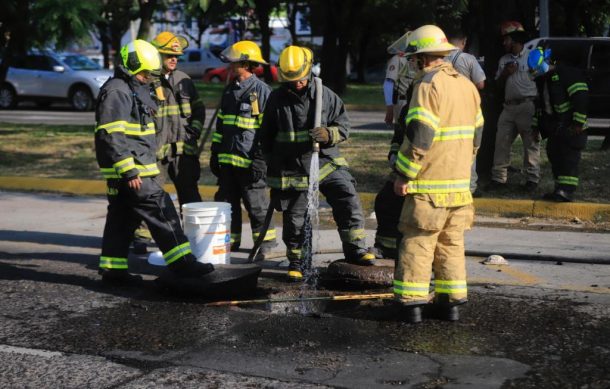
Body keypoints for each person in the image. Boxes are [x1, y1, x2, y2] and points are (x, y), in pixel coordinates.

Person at [94, 39, 214, 284]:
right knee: (163, 211)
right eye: (144, 73)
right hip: (133, 171)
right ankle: (183, 264)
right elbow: (111, 134)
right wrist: (129, 171)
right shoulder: (117, 91)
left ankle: (113, 270)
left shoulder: (128, 87)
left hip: (130, 170)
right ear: (131, 67)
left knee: (122, 219)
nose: (147, 77)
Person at [255, 45, 375, 282]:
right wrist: (272, 170)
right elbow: (265, 138)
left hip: (324, 161)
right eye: (291, 80)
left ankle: (356, 250)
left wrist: (329, 134)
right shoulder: (276, 100)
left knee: (346, 195)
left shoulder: (325, 95)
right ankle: (298, 262)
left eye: (300, 79)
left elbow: (344, 127)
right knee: (295, 217)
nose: (296, 83)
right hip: (292, 167)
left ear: (308, 71)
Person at [392, 25, 483, 323]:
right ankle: (451, 305)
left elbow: (420, 136)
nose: (410, 64)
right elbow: (477, 135)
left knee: (418, 242)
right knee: (451, 244)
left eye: (412, 58)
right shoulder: (467, 85)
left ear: (422, 58)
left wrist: (404, 175)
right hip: (459, 186)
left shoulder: (428, 86)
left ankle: (412, 306)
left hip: (429, 185)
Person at [209, 40, 277, 257]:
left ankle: (264, 246)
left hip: (250, 163)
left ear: (246, 65)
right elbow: (221, 125)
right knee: (227, 204)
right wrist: (215, 152)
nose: (229, 66)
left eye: (233, 63)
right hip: (228, 162)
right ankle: (233, 242)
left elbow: (268, 131)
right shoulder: (230, 91)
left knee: (256, 206)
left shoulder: (262, 92)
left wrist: (260, 159)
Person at [373, 34, 417, 260]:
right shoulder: (414, 96)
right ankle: (388, 246)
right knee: (385, 201)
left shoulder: (430, 90)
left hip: (426, 169)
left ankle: (406, 251)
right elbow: (402, 131)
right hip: (409, 162)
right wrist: (394, 152)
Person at [150, 31, 205, 208]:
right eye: (169, 56)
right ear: (158, 55)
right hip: (157, 151)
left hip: (183, 150)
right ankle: (142, 236)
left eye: (176, 56)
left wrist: (194, 130)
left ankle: (193, 234)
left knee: (190, 197)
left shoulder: (184, 80)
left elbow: (198, 109)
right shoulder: (148, 80)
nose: (174, 59)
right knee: (151, 196)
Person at [528, 47, 589, 202]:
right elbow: (540, 106)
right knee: (554, 153)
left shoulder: (568, 74)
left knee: (568, 158)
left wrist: (578, 123)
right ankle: (559, 189)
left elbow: (581, 99)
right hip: (556, 128)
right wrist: (536, 127)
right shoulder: (543, 81)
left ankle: (566, 192)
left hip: (572, 127)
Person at [488, 21, 540, 192]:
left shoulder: (533, 56)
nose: (504, 43)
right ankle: (499, 179)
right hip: (508, 107)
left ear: (516, 39)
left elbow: (545, 77)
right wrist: (505, 73)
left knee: (530, 143)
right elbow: (497, 85)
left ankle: (532, 180)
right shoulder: (504, 60)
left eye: (507, 39)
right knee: (501, 142)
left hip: (527, 106)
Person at [446, 30, 486, 196]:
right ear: (463, 41)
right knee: (470, 147)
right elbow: (481, 84)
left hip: (446, 109)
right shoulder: (468, 59)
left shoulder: (440, 59)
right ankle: (470, 186)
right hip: (466, 109)